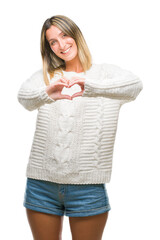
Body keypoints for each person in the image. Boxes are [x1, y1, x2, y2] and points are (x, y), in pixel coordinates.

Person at [17, 15, 143, 240]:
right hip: (41, 186)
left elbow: (135, 86)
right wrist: (47, 93)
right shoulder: (46, 77)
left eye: (64, 35)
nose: (61, 45)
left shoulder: (106, 74)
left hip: (87, 187)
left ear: (76, 35)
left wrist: (91, 86)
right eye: (53, 42)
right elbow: (24, 98)